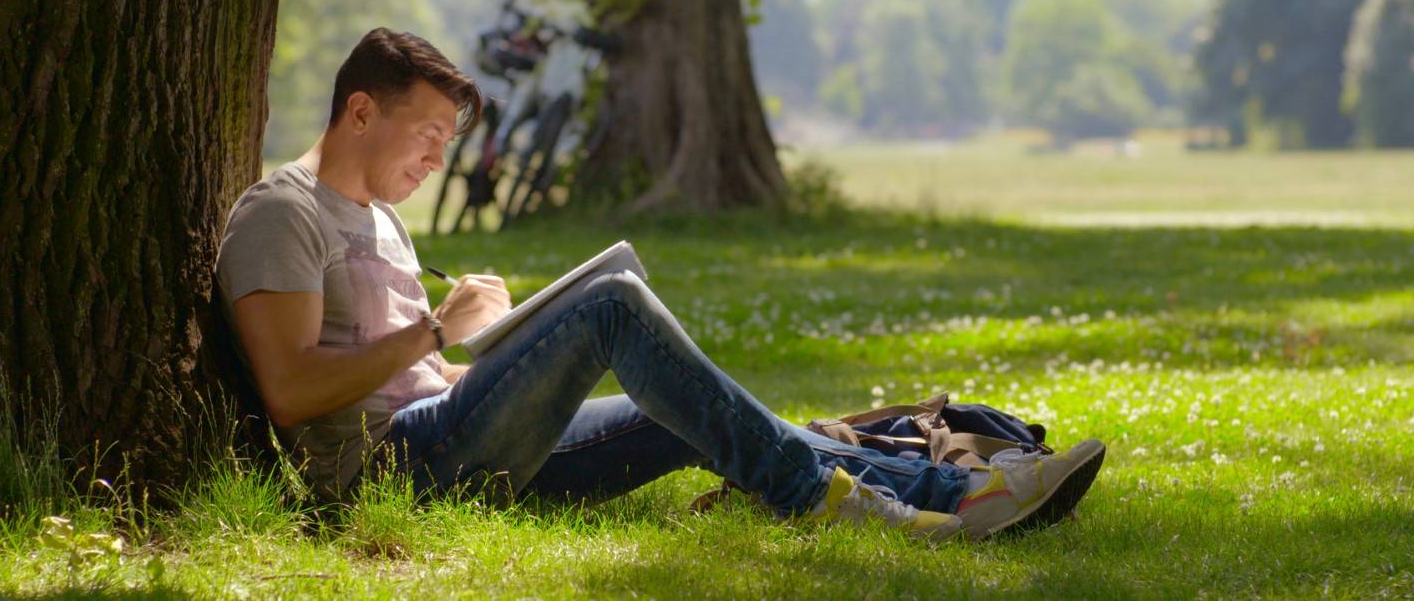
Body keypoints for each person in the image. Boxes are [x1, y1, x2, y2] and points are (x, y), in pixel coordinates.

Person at [216, 28, 1106, 542]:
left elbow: (421, 377)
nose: (437, 158)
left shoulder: (378, 215)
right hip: (388, 471)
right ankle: (821, 496)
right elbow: (291, 392)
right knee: (613, 307)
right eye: (428, 134)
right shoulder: (280, 213)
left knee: (686, 408)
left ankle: (972, 497)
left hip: (450, 430)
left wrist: (505, 345)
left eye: (448, 140)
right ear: (360, 110)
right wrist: (436, 332)